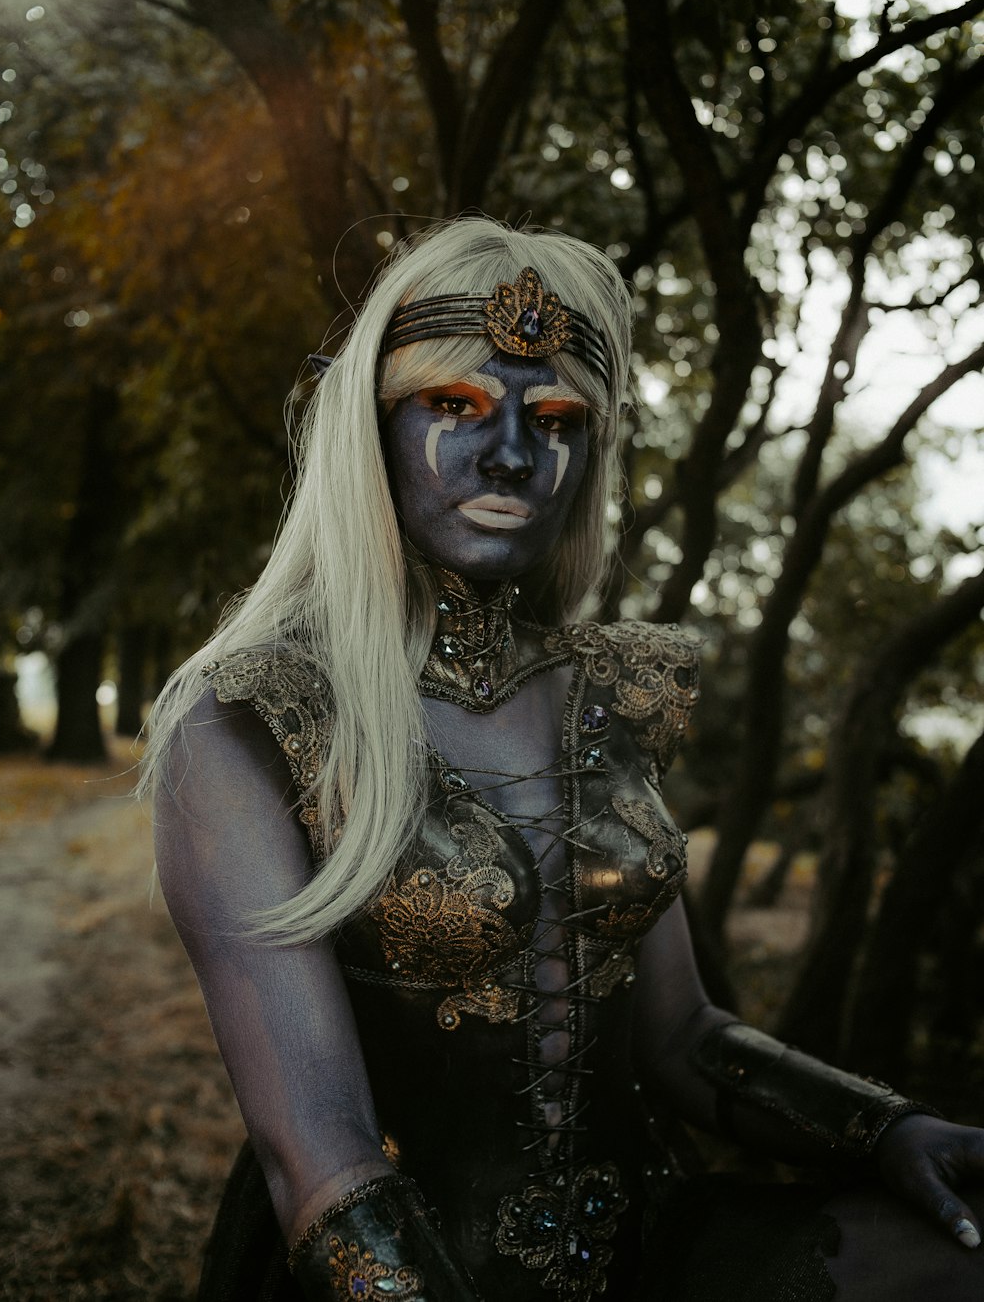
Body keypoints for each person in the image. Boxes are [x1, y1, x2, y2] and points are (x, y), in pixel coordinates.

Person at [147, 216, 984, 1301]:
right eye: (452, 405)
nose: (506, 451)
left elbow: (681, 1037)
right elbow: (324, 1159)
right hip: (392, 1263)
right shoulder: (250, 719)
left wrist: (884, 1129)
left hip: (648, 1239)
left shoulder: (610, 693)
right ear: (373, 428)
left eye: (552, 419)